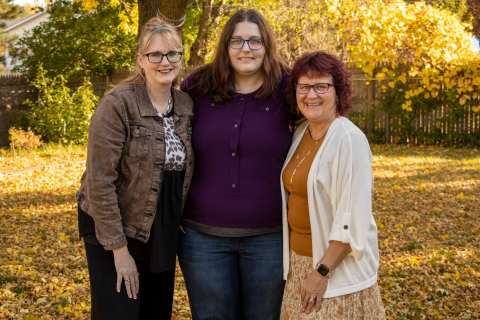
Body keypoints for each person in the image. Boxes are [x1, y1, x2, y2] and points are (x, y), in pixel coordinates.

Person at [76, 17, 194, 320]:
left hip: (162, 230)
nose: (164, 62)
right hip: (115, 228)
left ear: (181, 57)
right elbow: (99, 181)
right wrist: (119, 250)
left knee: (155, 313)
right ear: (141, 60)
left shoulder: (186, 106)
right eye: (155, 55)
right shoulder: (118, 105)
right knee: (120, 313)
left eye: (172, 54)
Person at [178, 9, 292, 320]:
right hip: (202, 238)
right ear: (225, 46)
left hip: (270, 237)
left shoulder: (289, 89)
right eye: (237, 40)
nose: (246, 49)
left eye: (255, 41)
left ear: (267, 46)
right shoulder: (198, 86)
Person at [279, 51, 386, 319]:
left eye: (321, 86)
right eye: (303, 86)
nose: (311, 95)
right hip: (299, 266)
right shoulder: (302, 132)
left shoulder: (348, 139)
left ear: (338, 92)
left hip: (333, 271)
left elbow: (353, 218)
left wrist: (322, 272)